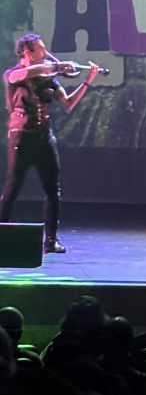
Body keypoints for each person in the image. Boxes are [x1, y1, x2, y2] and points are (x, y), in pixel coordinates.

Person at [1, 33, 100, 253]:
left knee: (53, 190)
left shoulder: (49, 78)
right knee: (12, 188)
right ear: (27, 51)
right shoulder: (13, 74)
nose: (45, 53)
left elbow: (69, 103)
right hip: (22, 137)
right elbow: (29, 72)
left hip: (44, 137)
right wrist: (57, 67)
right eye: (40, 49)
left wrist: (87, 81)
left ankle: (51, 241)